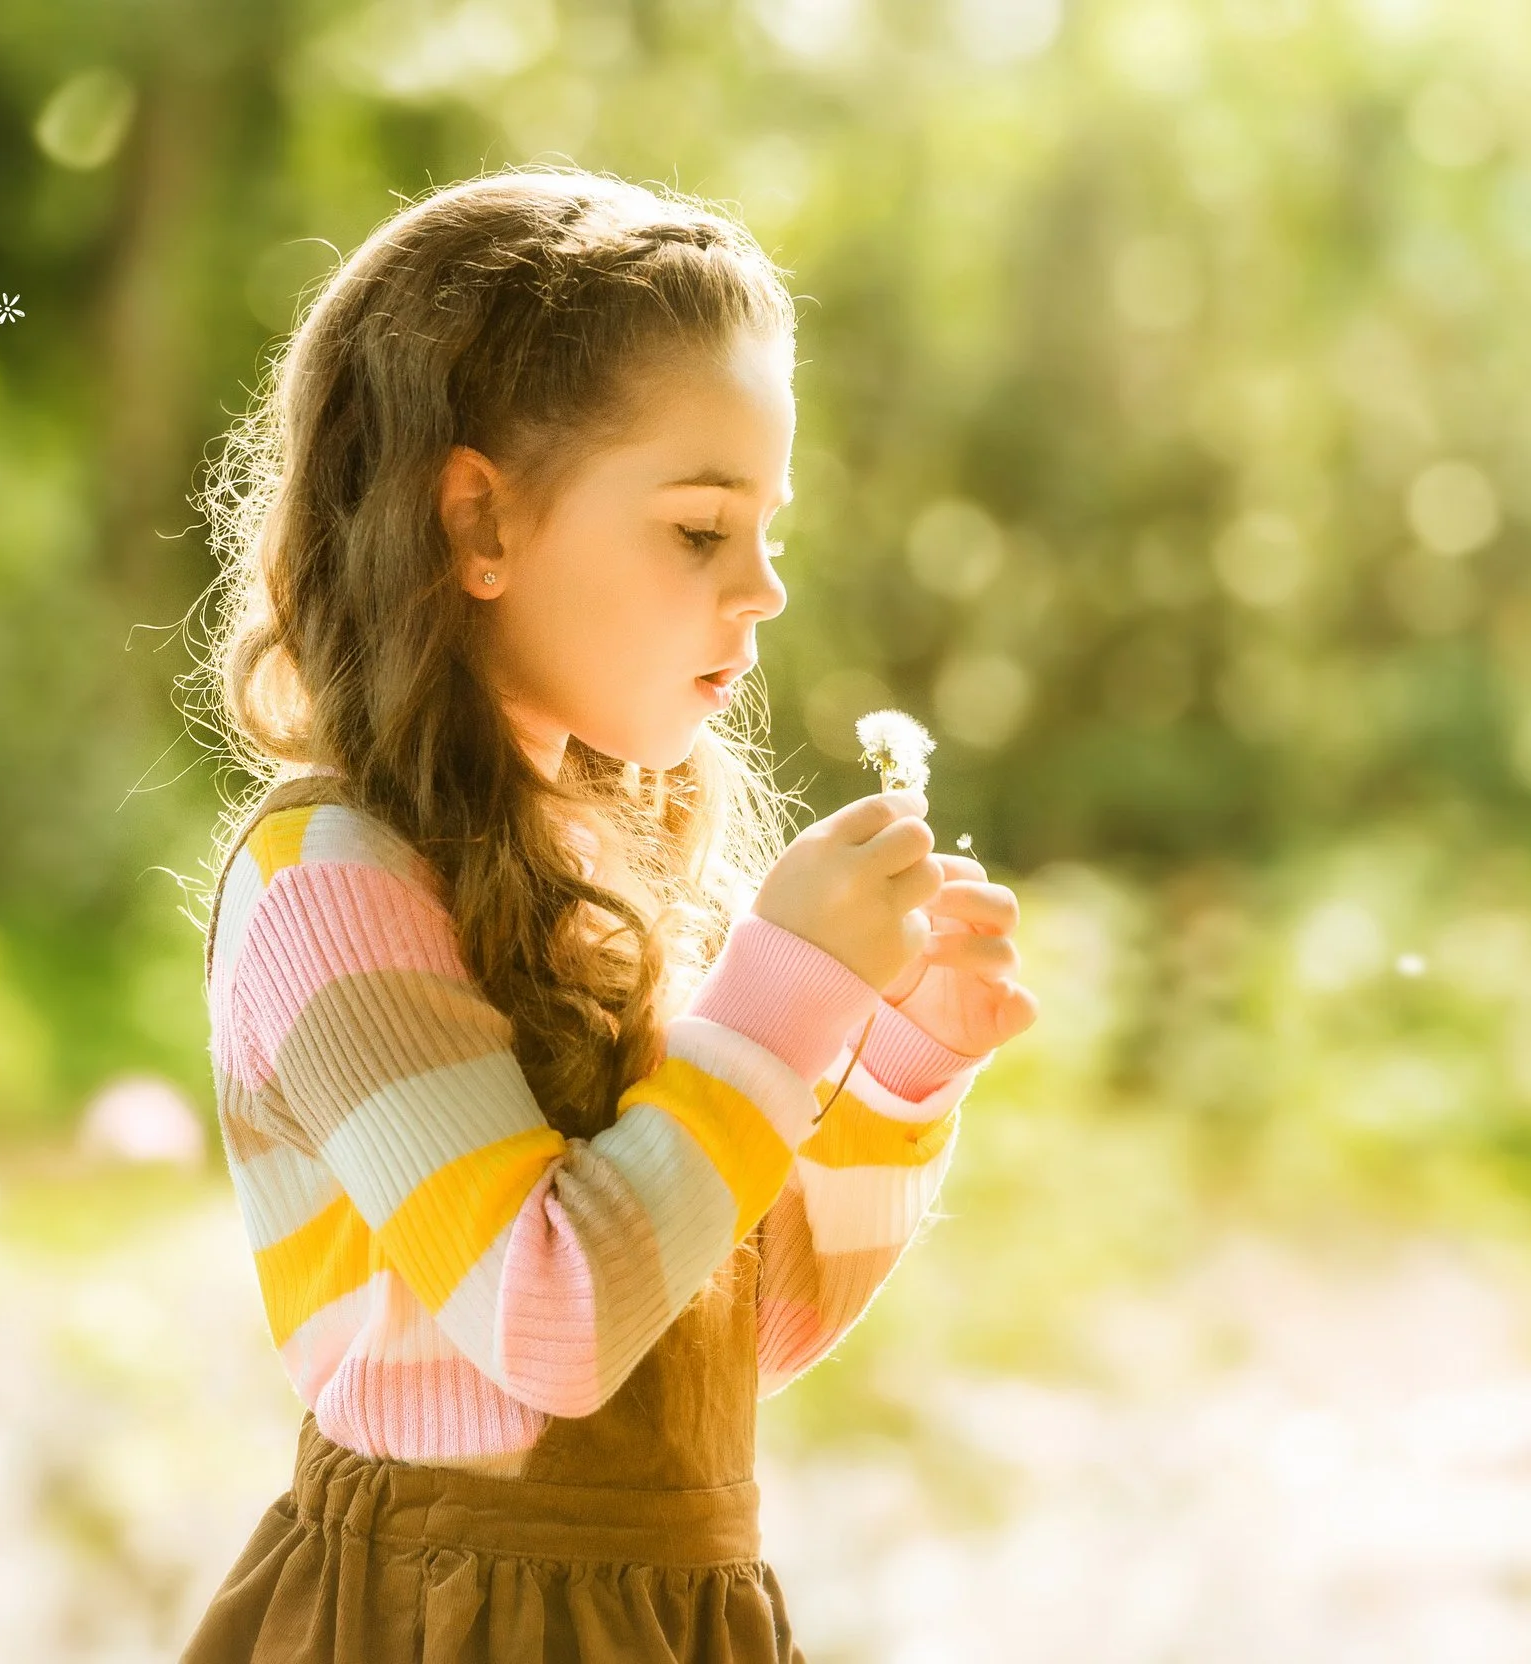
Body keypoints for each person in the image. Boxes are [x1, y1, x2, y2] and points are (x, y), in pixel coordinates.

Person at [178, 165, 1038, 1663]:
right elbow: (554, 1319)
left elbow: (715, 1329)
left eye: (773, 530)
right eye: (702, 531)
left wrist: (894, 1067)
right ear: (478, 525)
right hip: (440, 1624)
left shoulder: (601, 865)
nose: (763, 588)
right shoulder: (331, 889)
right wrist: (782, 991)